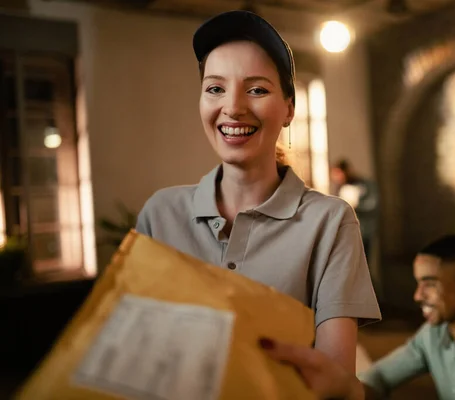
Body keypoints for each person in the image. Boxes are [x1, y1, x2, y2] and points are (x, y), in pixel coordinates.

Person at [135, 10, 381, 372]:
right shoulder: (160, 214)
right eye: (215, 88)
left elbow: (335, 377)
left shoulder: (330, 223)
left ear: (289, 109)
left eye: (257, 90)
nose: (233, 108)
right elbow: (136, 352)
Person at [260, 235, 455, 399]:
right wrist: (340, 385)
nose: (417, 296)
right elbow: (378, 379)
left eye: (429, 284)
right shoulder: (434, 336)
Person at [330, 159, 378, 261]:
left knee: (364, 261)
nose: (336, 177)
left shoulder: (364, 184)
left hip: (364, 230)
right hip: (347, 232)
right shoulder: (340, 188)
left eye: (338, 174)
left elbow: (372, 204)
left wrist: (355, 206)